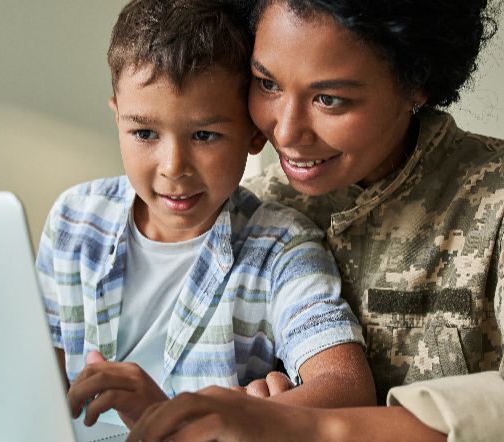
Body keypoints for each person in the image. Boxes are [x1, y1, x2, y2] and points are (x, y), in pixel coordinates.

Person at [126, 0, 504, 440]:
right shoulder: (251, 211)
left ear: (416, 83)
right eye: (267, 84)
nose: (286, 132)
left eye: (330, 99)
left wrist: (322, 428)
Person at [34, 0, 375, 429]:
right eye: (144, 133)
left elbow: (348, 388)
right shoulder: (73, 221)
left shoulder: (280, 248)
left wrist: (193, 419)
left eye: (204, 135)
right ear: (117, 117)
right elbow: (39, 373)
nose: (174, 166)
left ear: (253, 134)